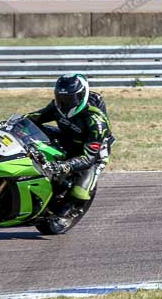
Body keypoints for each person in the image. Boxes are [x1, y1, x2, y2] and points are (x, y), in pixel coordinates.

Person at [24, 74, 114, 231]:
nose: (65, 103)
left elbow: (88, 158)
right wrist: (12, 123)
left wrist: (64, 166)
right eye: (61, 98)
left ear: (82, 95)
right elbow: (35, 117)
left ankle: (70, 211)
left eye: (70, 99)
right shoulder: (56, 107)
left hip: (92, 153)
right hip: (67, 140)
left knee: (80, 192)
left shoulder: (95, 120)